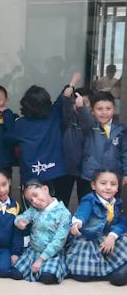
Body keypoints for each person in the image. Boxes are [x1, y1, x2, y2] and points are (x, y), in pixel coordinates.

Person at [4, 77, 73, 190]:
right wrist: (70, 85)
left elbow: (7, 139)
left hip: (31, 174)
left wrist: (7, 115)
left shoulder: (21, 124)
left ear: (25, 104)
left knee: (33, 205)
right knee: (54, 206)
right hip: (55, 172)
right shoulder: (53, 115)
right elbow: (61, 100)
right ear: (47, 103)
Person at [66, 169, 127, 286]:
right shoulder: (90, 200)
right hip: (89, 239)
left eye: (113, 184)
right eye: (103, 183)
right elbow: (83, 212)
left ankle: (118, 271)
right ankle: (112, 271)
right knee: (81, 275)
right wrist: (78, 222)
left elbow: (121, 222)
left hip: (106, 239)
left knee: (124, 239)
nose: (108, 187)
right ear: (93, 185)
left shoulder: (116, 203)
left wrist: (112, 236)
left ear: (118, 188)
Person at [11, 179, 71, 284]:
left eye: (36, 195)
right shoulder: (34, 210)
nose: (34, 201)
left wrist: (41, 260)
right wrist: (19, 221)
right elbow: (22, 217)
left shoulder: (64, 213)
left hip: (51, 254)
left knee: (47, 277)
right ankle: (35, 269)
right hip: (33, 251)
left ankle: (52, 269)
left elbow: (59, 241)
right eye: (30, 200)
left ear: (45, 189)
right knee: (15, 273)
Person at [77, 91, 127, 188]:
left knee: (111, 203)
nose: (104, 112)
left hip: (113, 179)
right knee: (88, 203)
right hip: (90, 177)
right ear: (92, 110)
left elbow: (125, 152)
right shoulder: (89, 126)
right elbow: (84, 118)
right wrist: (81, 108)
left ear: (114, 110)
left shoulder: (120, 129)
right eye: (99, 109)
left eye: (108, 108)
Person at [57, 77, 91, 207]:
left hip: (85, 169)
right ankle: (60, 224)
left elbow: (88, 122)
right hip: (66, 167)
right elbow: (65, 105)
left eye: (84, 102)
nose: (78, 104)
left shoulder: (92, 121)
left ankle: (81, 224)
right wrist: (70, 87)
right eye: (76, 102)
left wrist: (82, 108)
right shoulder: (69, 118)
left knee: (85, 198)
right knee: (61, 198)